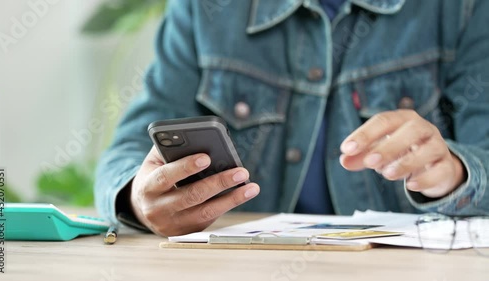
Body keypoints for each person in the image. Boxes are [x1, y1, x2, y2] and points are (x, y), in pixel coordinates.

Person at [94, 0, 489, 236]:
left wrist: (453, 174)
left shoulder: (465, 9)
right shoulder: (203, 9)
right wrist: (140, 197)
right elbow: (128, 153)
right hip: (235, 269)